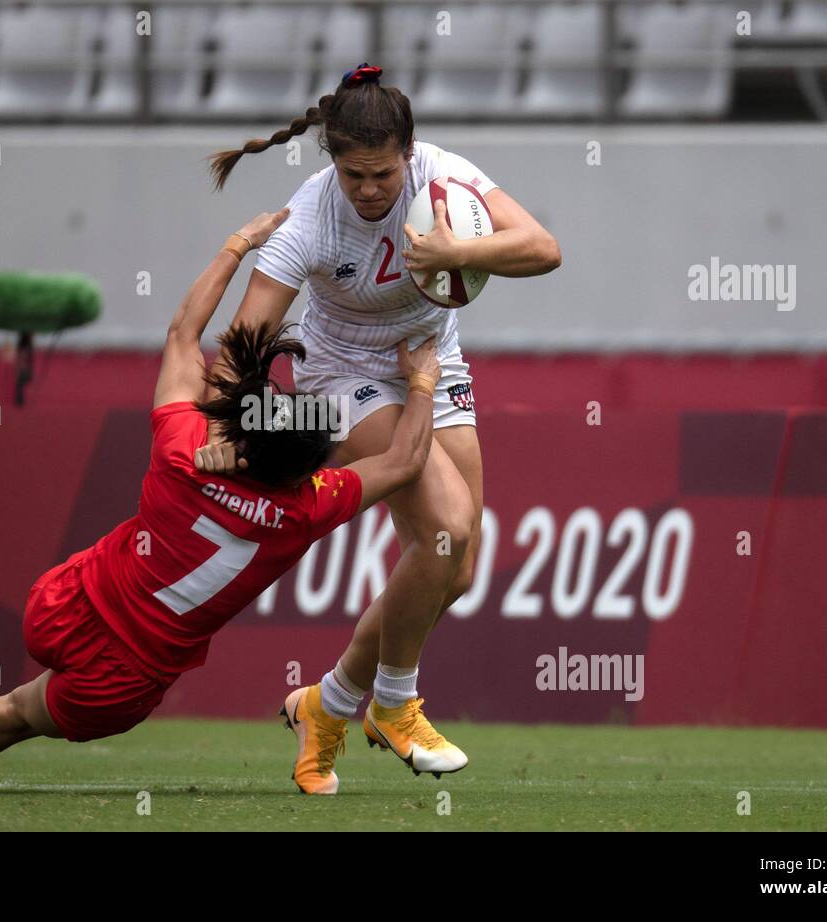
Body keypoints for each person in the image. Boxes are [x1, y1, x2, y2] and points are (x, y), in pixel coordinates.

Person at [0, 207, 442, 784]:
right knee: (13, 715)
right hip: (123, 682)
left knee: (14, 699)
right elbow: (408, 458)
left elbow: (181, 336)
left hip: (64, 607)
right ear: (304, 467)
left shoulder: (182, 451)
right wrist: (421, 382)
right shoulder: (308, 506)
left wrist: (238, 245)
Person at [199, 62, 561, 792]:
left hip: (434, 358)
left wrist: (460, 252)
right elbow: (244, 337)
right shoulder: (308, 221)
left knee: (453, 569)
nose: (369, 191)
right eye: (354, 175)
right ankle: (395, 704)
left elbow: (544, 248)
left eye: (384, 176)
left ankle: (325, 705)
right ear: (330, 159)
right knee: (446, 524)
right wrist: (222, 426)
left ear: (411, 154)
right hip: (343, 373)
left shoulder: (446, 176)